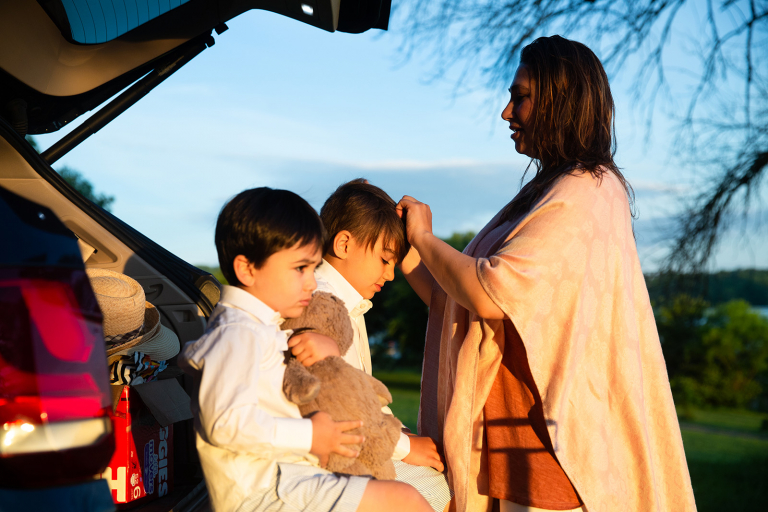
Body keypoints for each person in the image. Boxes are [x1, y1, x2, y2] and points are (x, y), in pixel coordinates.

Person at [396, 36, 697, 512]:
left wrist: (426, 240)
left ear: (560, 100)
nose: (506, 112)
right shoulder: (547, 190)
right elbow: (453, 297)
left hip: (549, 454)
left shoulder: (588, 191)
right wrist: (403, 249)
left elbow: (491, 293)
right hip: (507, 445)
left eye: (520, 96)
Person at [179, 187, 432, 512]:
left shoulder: (258, 328)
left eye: (313, 269)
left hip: (287, 480)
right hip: (262, 493)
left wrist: (322, 349)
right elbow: (225, 423)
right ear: (247, 269)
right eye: (300, 269)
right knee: (403, 500)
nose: (312, 282)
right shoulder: (237, 334)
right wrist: (309, 434)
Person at [288, 179, 452, 512]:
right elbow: (340, 400)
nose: (391, 276)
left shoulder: (347, 301)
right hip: (328, 459)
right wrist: (405, 447)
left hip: (353, 444)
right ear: (344, 244)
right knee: (440, 493)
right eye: (385, 259)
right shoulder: (324, 303)